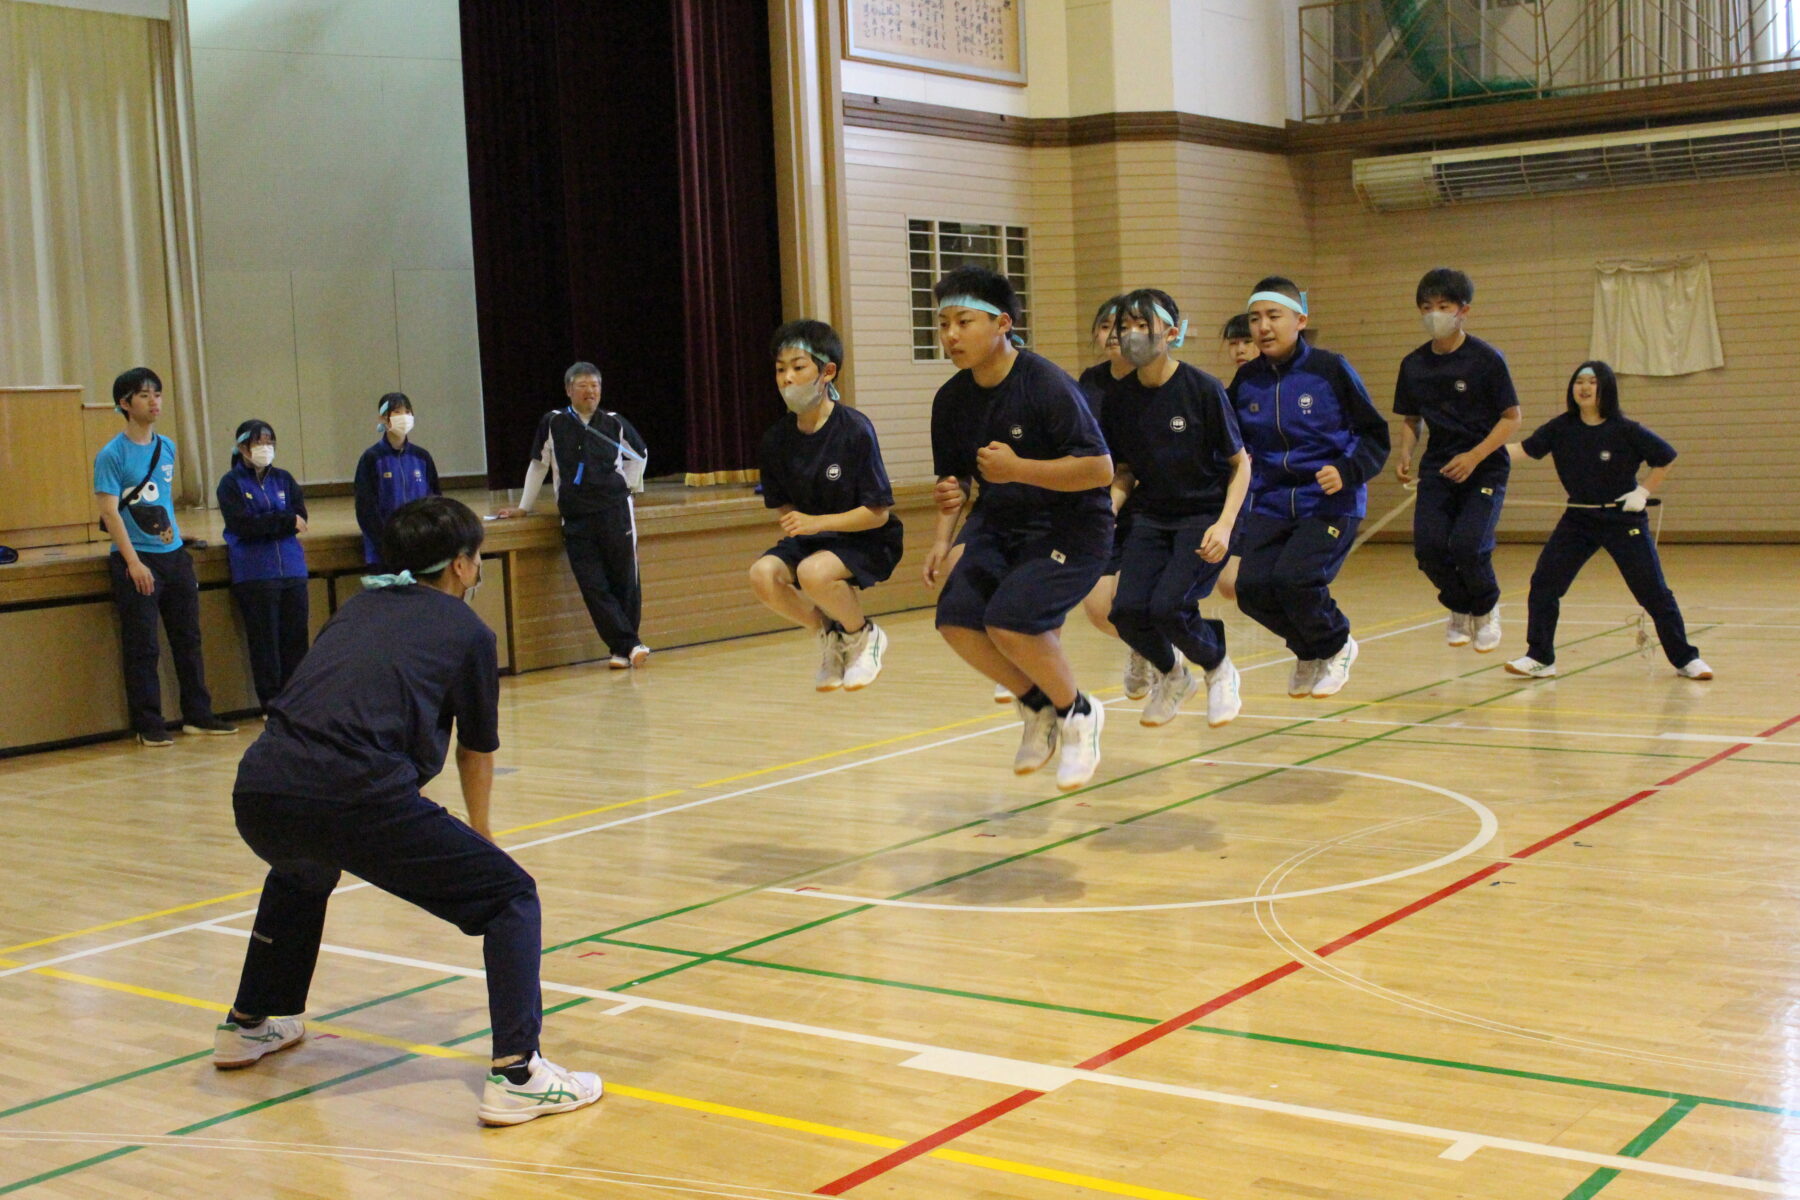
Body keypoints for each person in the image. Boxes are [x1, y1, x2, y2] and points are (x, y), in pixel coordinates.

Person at [214, 496, 603, 1127]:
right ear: (459, 565)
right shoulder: (469, 630)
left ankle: (249, 1023)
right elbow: (476, 747)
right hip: (356, 793)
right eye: (475, 559)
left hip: (259, 788)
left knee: (302, 869)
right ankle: (519, 1073)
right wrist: (483, 837)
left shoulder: (357, 608)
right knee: (510, 898)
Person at [925, 265, 1114, 790]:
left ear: (1003, 323)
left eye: (964, 322)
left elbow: (1099, 470)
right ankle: (1038, 707)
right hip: (999, 523)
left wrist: (1019, 469)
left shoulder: (1046, 384)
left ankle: (1078, 713)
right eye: (943, 324)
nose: (951, 336)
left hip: (1071, 526)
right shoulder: (950, 400)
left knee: (1010, 620)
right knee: (957, 619)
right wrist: (944, 536)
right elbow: (956, 483)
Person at [1228, 277, 1390, 699]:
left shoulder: (1330, 369)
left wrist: (1348, 470)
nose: (1262, 327)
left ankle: (1337, 644)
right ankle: (1306, 649)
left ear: (1300, 320)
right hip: (1272, 501)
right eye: (1255, 318)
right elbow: (1226, 444)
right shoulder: (1245, 382)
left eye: (1273, 316)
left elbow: (1375, 434)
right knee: (1250, 590)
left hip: (1330, 501)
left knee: (1295, 579)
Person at [1504, 362, 1711, 681]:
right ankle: (1540, 657)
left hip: (1622, 518)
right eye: (1579, 382)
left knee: (1653, 592)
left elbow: (1666, 458)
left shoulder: (1626, 429)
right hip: (1579, 519)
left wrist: (1642, 491)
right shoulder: (1561, 427)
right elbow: (1523, 450)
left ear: (1606, 388)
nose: (1584, 387)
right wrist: (1476, 456)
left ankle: (1686, 659)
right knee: (1545, 584)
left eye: (1592, 382)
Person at [1102, 290, 1250, 728]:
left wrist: (1225, 525)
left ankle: (1220, 668)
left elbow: (1241, 464)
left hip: (1205, 514)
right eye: (1124, 325)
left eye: (1142, 325)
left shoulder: (1201, 389)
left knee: (1169, 606)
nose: (1131, 335)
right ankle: (1172, 674)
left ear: (1169, 332)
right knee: (1127, 611)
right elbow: (1125, 469)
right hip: (1152, 515)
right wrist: (1107, 508)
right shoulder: (1119, 398)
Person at [748, 321, 902, 690]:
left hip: (866, 537)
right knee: (762, 575)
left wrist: (818, 523)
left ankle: (862, 635)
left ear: (827, 371)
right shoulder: (775, 439)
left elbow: (877, 512)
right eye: (780, 369)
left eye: (798, 367)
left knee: (813, 573)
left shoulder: (854, 430)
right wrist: (801, 526)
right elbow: (783, 505)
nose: (787, 378)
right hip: (812, 539)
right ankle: (829, 634)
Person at [94, 367, 236, 747]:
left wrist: (174, 535)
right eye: (143, 395)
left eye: (157, 393)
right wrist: (133, 562)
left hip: (173, 555)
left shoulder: (168, 446)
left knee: (188, 638)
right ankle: (149, 723)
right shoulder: (111, 454)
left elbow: (159, 501)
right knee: (143, 645)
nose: (154, 401)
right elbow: (110, 513)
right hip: (136, 558)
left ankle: (198, 714)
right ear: (124, 404)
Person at [1394, 268, 1521, 653]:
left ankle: (1485, 608)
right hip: (1439, 467)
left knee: (1468, 545)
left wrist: (1475, 455)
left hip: (1484, 466)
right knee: (1429, 548)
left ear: (1463, 311)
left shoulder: (1486, 360)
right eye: (1427, 307)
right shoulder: (1413, 364)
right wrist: (1405, 452)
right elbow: (1411, 418)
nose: (1435, 314)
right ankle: (1458, 606)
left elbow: (1512, 418)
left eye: (1444, 306)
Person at [495, 364, 650, 669]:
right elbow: (539, 464)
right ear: (568, 390)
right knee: (593, 585)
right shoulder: (553, 422)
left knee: (625, 581)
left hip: (615, 512)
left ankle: (622, 650)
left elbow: (639, 455)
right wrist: (524, 506)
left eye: (595, 385)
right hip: (577, 517)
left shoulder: (614, 422)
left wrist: (627, 487)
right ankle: (629, 644)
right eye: (582, 385)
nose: (590, 391)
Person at [217, 420, 311, 710]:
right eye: (259, 442)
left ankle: (296, 701)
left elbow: (301, 518)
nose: (265, 448)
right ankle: (271, 702)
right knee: (265, 643)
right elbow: (243, 525)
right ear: (243, 447)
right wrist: (282, 520)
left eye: (270, 442)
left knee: (295, 640)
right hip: (256, 572)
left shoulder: (284, 479)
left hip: (292, 570)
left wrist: (273, 522)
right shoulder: (231, 483)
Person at [354, 392, 440, 565]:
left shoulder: (422, 457)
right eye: (397, 412)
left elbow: (435, 499)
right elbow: (366, 508)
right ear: (384, 418)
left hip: (420, 546)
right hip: (385, 551)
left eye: (407, 412)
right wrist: (385, 543)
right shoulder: (371, 458)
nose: (404, 417)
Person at [1212, 313, 1258, 607]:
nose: (1239, 349)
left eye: (1247, 341)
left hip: (1273, 495)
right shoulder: (1226, 395)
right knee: (1228, 584)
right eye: (1234, 343)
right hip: (1243, 493)